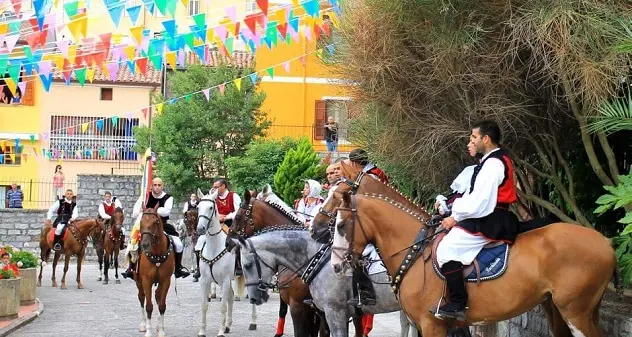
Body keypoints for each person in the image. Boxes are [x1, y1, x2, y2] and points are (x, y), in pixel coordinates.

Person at [435, 120, 519, 321]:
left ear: (486, 139)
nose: (470, 140)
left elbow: (480, 202)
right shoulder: (492, 160)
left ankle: (458, 302)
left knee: (446, 249)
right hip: (489, 215)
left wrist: (455, 216)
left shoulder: (493, 164)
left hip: (491, 219)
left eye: (474, 137)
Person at [121, 178, 190, 279]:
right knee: (133, 244)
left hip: (162, 225)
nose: (157, 187)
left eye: (159, 185)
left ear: (163, 186)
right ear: (151, 186)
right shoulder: (145, 196)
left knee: (178, 244)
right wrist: (140, 209)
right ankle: (131, 269)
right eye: (155, 185)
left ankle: (178, 268)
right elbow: (135, 212)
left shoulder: (168, 198)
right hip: (146, 226)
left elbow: (166, 211)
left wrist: (150, 210)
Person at [193, 179, 241, 280]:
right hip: (215, 224)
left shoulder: (233, 196)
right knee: (200, 241)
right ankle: (199, 268)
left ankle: (238, 266)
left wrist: (226, 217)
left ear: (223, 186)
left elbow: (238, 211)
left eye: (216, 187)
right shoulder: (212, 197)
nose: (213, 189)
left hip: (231, 224)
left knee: (236, 241)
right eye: (213, 187)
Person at [435, 141, 483, 216]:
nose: (468, 145)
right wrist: (442, 203)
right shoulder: (470, 169)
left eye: (473, 142)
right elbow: (456, 194)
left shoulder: (486, 175)